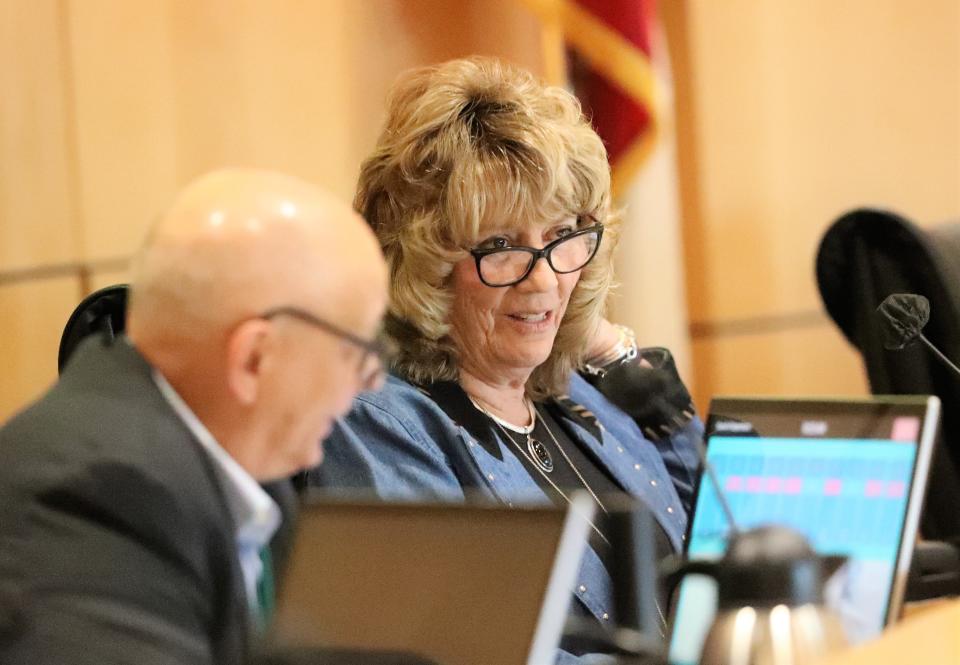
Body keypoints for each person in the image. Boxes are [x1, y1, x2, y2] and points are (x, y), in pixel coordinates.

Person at [308, 58, 702, 662]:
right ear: (426, 264)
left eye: (562, 235)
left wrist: (615, 356)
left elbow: (720, 532)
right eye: (501, 248)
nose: (543, 281)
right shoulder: (377, 423)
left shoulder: (571, 390)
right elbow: (460, 649)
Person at [0, 169, 389, 665]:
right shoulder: (96, 498)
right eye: (357, 353)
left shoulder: (241, 466)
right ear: (255, 360)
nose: (371, 383)